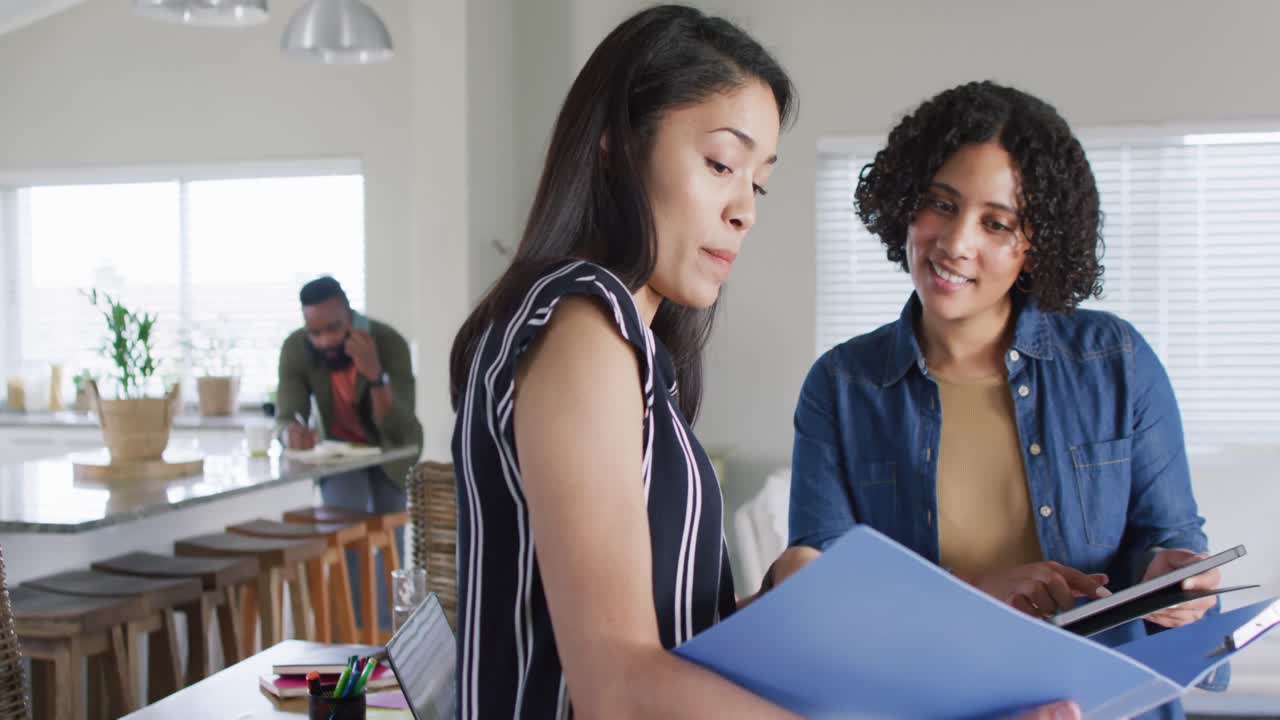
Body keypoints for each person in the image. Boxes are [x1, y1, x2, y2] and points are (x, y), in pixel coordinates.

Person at [449, 8, 1081, 717]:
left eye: (758, 183)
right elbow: (620, 691)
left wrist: (779, 597)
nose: (744, 210)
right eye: (721, 164)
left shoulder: (627, 345)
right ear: (618, 145)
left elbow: (665, 642)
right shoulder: (583, 331)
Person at [786, 81, 1225, 719]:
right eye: (940, 204)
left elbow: (1166, 540)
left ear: (1035, 243)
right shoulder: (842, 385)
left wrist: (1175, 578)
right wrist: (976, 597)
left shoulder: (1116, 361)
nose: (955, 242)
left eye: (996, 223)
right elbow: (820, 597)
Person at [276, 275, 423, 632]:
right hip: (340, 459)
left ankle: (389, 640)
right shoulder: (297, 348)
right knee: (348, 543)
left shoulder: (387, 343)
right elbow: (286, 414)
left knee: (390, 551)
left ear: (350, 317)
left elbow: (401, 429)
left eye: (333, 328)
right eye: (315, 332)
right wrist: (291, 432)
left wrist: (375, 375)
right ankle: (353, 639)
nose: (324, 340)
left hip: (390, 455)